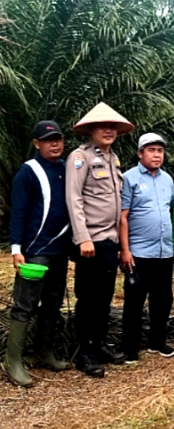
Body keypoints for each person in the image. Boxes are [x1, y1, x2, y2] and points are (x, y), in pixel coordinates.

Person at [66, 102, 133, 377]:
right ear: (91, 130)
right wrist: (83, 237)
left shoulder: (113, 158)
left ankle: (100, 345)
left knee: (104, 298)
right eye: (103, 127)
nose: (108, 131)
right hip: (90, 241)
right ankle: (85, 353)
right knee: (87, 298)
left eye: (112, 127)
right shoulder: (80, 157)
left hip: (109, 241)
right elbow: (74, 198)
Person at [5, 121, 70, 387]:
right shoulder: (28, 171)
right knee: (25, 304)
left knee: (52, 303)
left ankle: (44, 352)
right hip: (35, 252)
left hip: (60, 250)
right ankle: (13, 361)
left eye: (58, 139)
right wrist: (16, 249)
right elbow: (18, 212)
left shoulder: (66, 169)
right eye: (47, 140)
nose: (54, 144)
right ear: (36, 144)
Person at [120, 134, 174, 362]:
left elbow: (169, 210)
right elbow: (123, 217)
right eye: (151, 150)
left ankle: (157, 342)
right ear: (140, 153)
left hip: (164, 251)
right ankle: (130, 347)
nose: (156, 155)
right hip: (138, 252)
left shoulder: (168, 180)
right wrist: (125, 250)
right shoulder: (129, 178)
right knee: (134, 301)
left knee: (163, 299)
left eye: (160, 151)